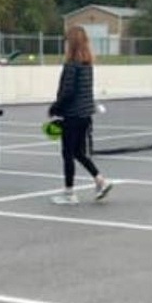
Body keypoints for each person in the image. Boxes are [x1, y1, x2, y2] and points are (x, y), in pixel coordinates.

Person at [48, 25, 113, 206]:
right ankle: (100, 180)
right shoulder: (87, 65)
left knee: (67, 153)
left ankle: (69, 193)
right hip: (85, 115)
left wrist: (55, 108)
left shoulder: (71, 66)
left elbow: (67, 92)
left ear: (72, 43)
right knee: (79, 152)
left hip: (72, 115)